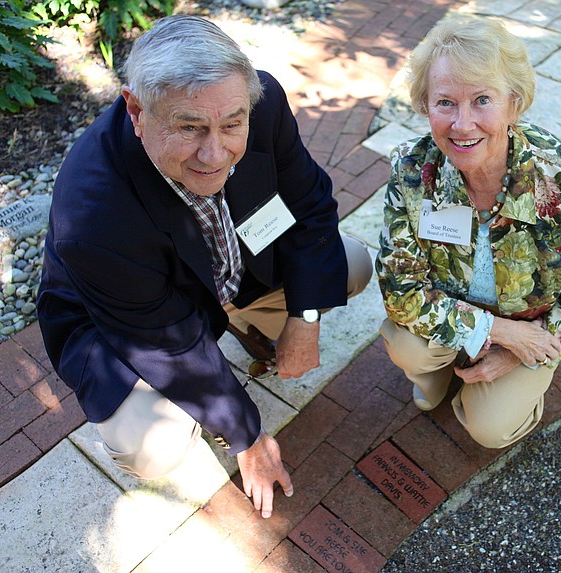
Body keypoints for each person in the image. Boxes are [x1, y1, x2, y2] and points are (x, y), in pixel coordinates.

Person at [37, 14, 372, 518]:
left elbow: (310, 206)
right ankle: (224, 331)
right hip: (129, 319)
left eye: (232, 125)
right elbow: (169, 344)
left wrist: (305, 321)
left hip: (235, 264)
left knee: (351, 263)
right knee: (151, 447)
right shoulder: (95, 219)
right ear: (136, 109)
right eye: (190, 128)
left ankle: (242, 316)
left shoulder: (263, 100)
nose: (216, 154)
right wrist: (248, 435)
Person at [376, 16, 561, 450]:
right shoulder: (414, 172)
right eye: (446, 102)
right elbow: (401, 291)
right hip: (480, 319)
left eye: (483, 100)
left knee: (491, 429)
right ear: (425, 105)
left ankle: (483, 395)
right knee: (408, 347)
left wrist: (516, 350)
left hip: (533, 325)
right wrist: (498, 332)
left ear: (514, 105)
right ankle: (437, 373)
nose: (463, 124)